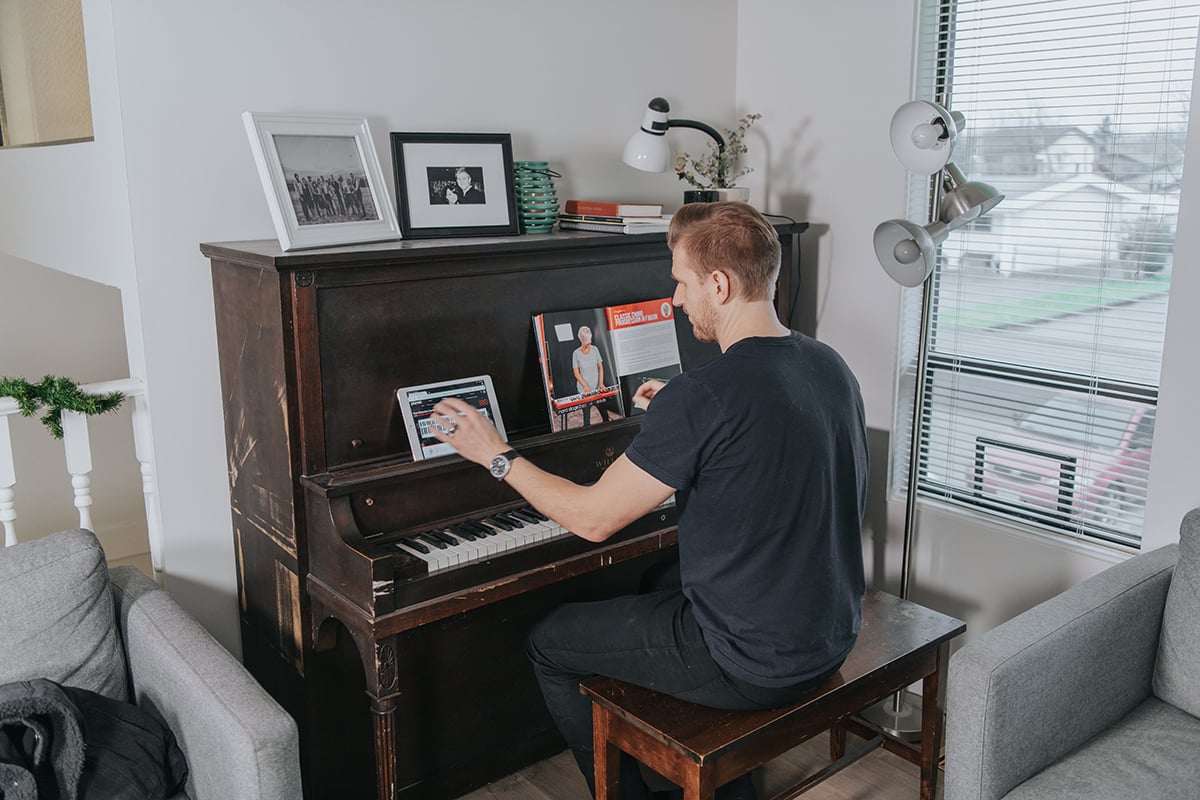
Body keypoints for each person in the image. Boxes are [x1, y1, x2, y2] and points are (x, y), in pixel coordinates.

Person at [429, 201, 868, 800]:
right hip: (830, 631)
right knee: (659, 575)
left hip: (753, 663)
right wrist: (680, 418)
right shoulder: (826, 364)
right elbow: (758, 447)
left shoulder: (704, 395)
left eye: (683, 282)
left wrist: (495, 454)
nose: (677, 299)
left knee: (549, 642)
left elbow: (592, 519)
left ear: (720, 283)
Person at [571, 325, 605, 426]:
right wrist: (585, 387)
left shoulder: (595, 350)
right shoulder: (576, 353)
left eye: (590, 339)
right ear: (581, 339)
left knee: (605, 415)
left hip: (597, 387)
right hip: (584, 389)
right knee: (587, 418)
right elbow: (576, 373)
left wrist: (601, 383)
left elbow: (600, 367)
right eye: (587, 340)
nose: (589, 343)